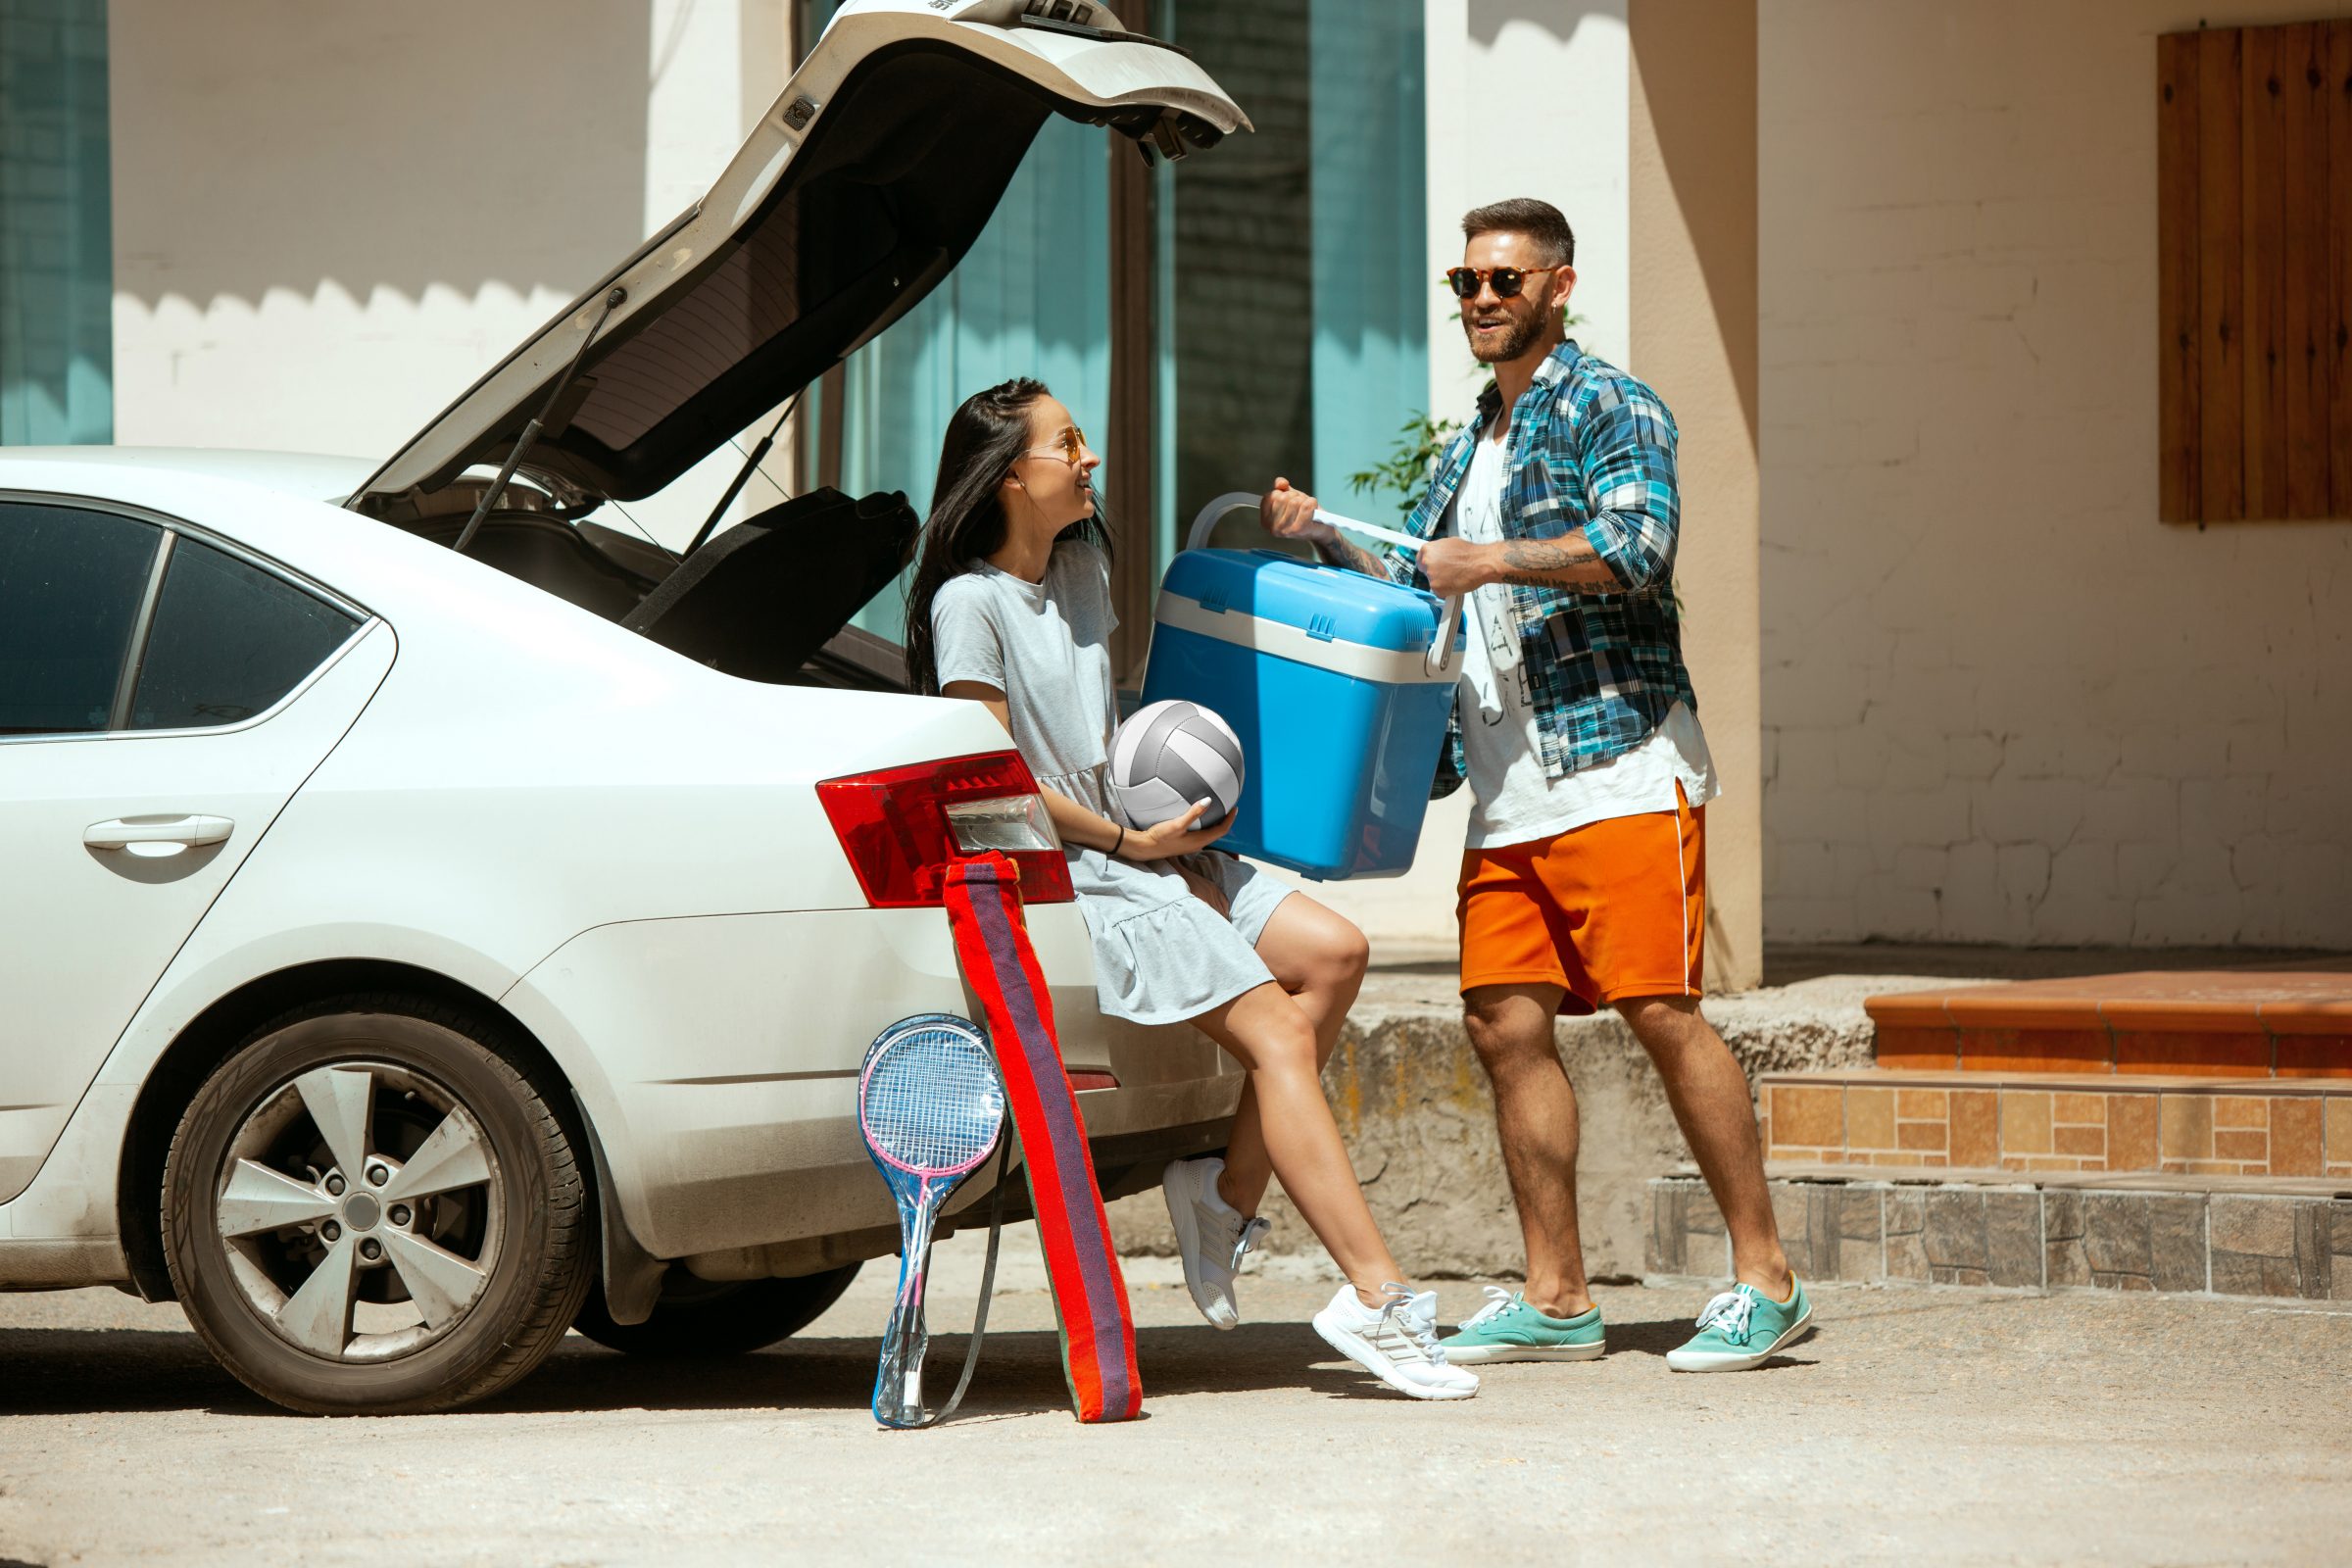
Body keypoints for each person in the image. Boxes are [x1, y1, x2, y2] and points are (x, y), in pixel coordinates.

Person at [1261, 198, 1810, 1373]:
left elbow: (1638, 546)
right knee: (1505, 1025)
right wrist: (1326, 540)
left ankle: (1767, 1277)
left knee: (1663, 1011)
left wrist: (1494, 555)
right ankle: (1559, 1295)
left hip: (1618, 760)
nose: (1481, 301)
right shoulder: (1471, 442)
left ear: (1559, 287)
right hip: (1510, 790)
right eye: (1465, 282)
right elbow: (1428, 584)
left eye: (1505, 280)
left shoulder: (1611, 405)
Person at [905, 376, 1476, 1400]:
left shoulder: (1079, 567)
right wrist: (1133, 840)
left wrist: (1294, 536)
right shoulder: (968, 604)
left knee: (1337, 956)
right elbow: (1001, 783)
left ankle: (1221, 1195)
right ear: (1005, 477)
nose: (1088, 457)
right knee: (1278, 1031)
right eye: (1065, 443)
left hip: (1153, 840)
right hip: (1084, 868)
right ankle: (1375, 1297)